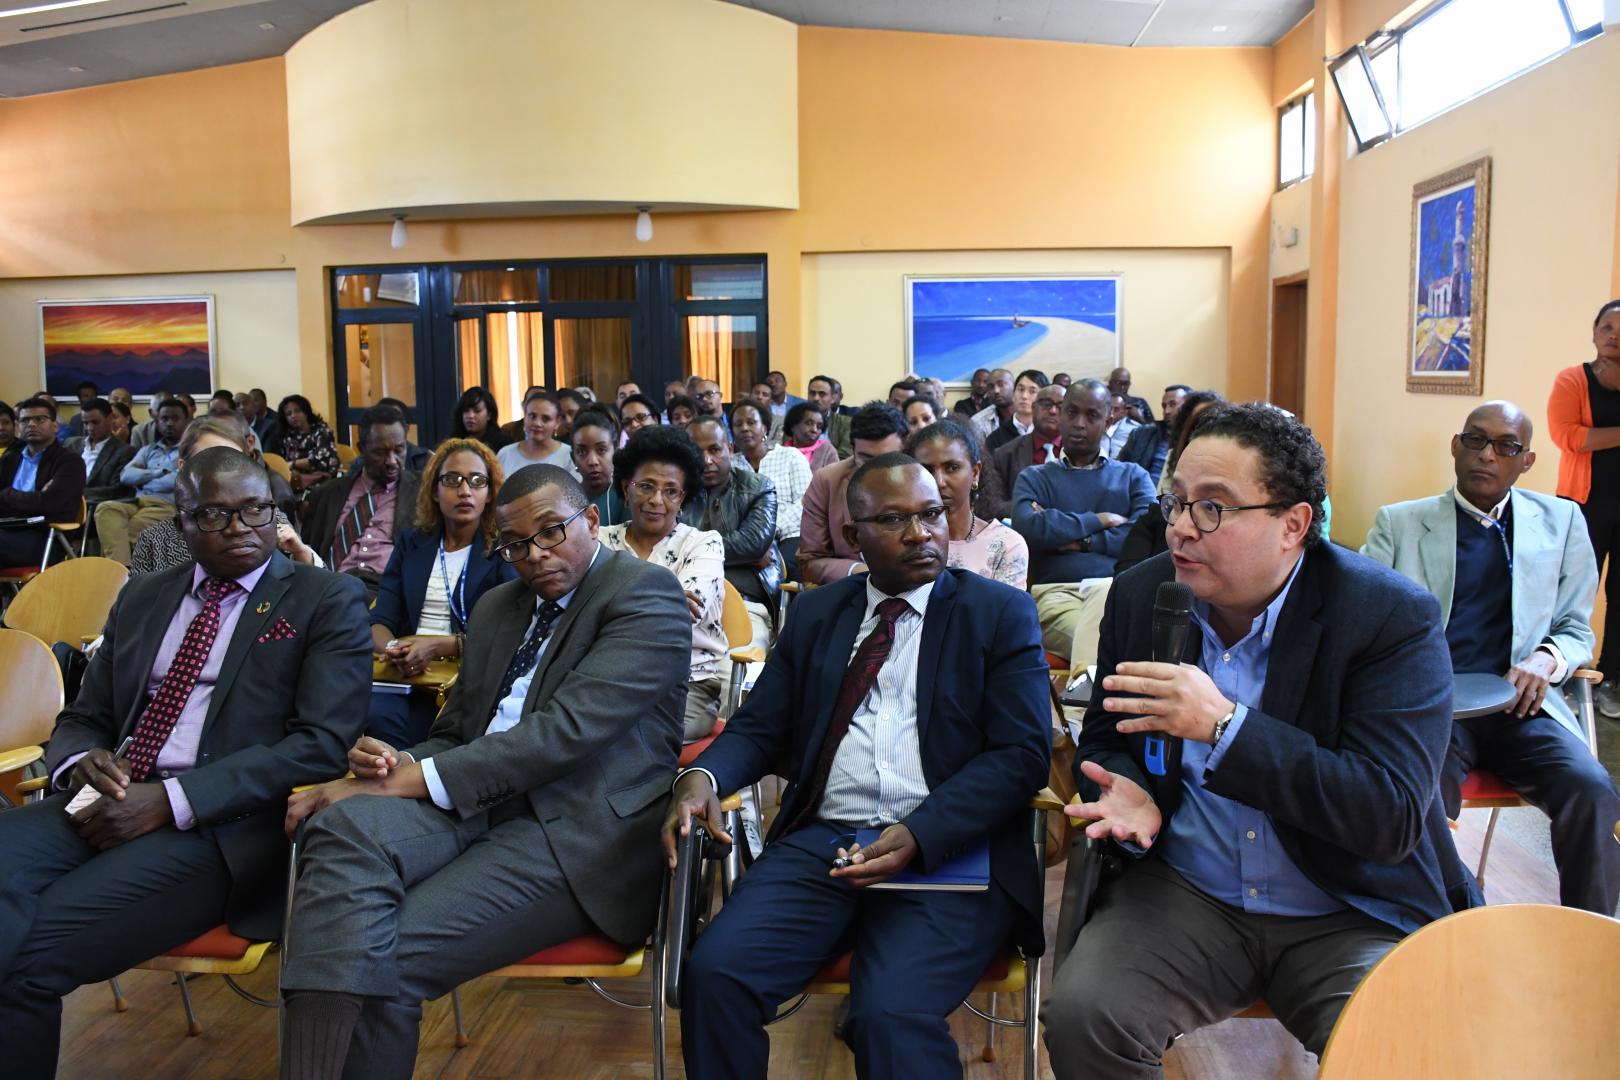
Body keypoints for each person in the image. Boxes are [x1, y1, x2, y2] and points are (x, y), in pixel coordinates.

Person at [1044, 403, 1481, 1077]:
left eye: (1213, 508)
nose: (1182, 527)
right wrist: (1122, 781)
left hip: (1346, 905)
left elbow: (1387, 813)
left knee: (1405, 1048)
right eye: (1177, 501)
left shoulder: (1387, 616)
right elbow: (1109, 730)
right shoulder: (1145, 595)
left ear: (1294, 524)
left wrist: (1224, 728)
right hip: (1189, 892)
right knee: (1085, 1015)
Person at [276, 462, 689, 1078]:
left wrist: (402, 782)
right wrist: (390, 764)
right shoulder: (499, 605)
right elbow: (455, 730)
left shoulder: (644, 595)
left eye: (552, 532)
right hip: (470, 802)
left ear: (594, 521)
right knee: (336, 827)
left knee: (378, 957)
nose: (536, 555)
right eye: (517, 544)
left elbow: (562, 736)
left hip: (572, 829)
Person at [668, 452, 1051, 1079]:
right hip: (828, 841)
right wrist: (700, 779)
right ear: (853, 535)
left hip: (950, 848)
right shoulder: (820, 613)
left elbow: (1022, 755)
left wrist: (920, 834)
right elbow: (759, 727)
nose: (921, 533)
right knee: (716, 974)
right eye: (895, 519)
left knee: (889, 1016)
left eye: (931, 515)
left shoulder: (996, 614)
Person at [0, 447, 371, 1078]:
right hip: (103, 795)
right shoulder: (145, 595)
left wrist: (172, 801)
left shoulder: (324, 599)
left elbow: (321, 744)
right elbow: (84, 717)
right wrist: (79, 763)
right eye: (216, 516)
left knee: (29, 961)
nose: (241, 530)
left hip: (218, 827)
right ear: (181, 524)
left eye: (255, 509)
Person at [1362, 400, 1620, 914]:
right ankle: (1441, 923)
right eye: (1476, 441)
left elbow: (1574, 629)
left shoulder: (1563, 521)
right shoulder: (1401, 524)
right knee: (1416, 791)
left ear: (1526, 461)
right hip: (1436, 711)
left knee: (1593, 792)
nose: (1487, 455)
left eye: (1506, 447)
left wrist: (1546, 659)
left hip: (1524, 708)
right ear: (1456, 447)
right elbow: (1363, 624)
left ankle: (1590, 942)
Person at [369, 438, 517, 747]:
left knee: (424, 731)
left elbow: (510, 630)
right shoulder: (412, 543)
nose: (465, 490)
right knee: (375, 715)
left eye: (477, 481)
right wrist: (395, 648)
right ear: (435, 491)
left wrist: (440, 646)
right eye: (452, 480)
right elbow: (379, 620)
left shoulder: (502, 549)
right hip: (406, 672)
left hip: (465, 674)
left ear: (490, 493)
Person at [1013, 379, 1155, 674]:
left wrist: (1078, 541)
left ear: (1108, 419)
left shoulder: (1133, 476)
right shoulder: (1035, 477)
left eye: (1091, 416)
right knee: (1104, 640)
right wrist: (1099, 520)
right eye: (1072, 412)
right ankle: (1082, 719)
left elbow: (1144, 537)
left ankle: (1084, 716)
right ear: (1061, 414)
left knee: (1122, 630)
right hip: (1056, 594)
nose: (1079, 424)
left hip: (1119, 593)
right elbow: (1029, 528)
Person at [598, 427, 727, 740]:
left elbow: (680, 615)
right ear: (626, 488)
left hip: (686, 684)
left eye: (671, 491)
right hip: (605, 680)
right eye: (646, 486)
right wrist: (663, 598)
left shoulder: (703, 543)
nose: (656, 500)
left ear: (683, 498)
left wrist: (608, 603)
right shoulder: (599, 541)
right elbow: (575, 611)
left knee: (621, 739)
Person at [130, 416, 320, 577]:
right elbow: (139, 610)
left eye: (233, 461)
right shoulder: (155, 540)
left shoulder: (268, 520)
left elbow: (314, 592)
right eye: (210, 460)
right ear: (183, 467)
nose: (225, 474)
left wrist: (303, 556)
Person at [1548, 298, 1620, 717]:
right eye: (1607, 327)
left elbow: (1592, 435)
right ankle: (1564, 675)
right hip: (1583, 503)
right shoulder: (1572, 381)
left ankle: (1611, 679)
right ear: (1594, 333)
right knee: (1574, 591)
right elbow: (1570, 436)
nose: (1614, 335)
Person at [299, 404, 421, 597]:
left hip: (386, 593)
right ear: (361, 449)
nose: (391, 460)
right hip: (328, 590)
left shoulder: (422, 492)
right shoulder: (326, 494)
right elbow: (306, 551)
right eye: (380, 452)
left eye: (399, 450)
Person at [684, 415, 781, 649]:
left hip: (747, 603)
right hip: (689, 606)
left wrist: (689, 551)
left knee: (743, 671)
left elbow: (753, 544)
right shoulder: (677, 491)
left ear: (729, 448)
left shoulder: (758, 486)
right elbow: (663, 548)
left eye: (715, 449)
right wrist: (741, 556)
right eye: (697, 453)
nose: (707, 460)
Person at [907, 418, 1028, 589]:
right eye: (927, 471)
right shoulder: (905, 540)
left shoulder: (1006, 545)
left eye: (952, 468)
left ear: (975, 473)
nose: (939, 481)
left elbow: (1006, 613)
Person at [798, 402, 910, 584]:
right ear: (853, 450)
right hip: (851, 588)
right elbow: (809, 562)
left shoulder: (923, 478)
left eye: (887, 459)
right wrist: (863, 572)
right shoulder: (827, 481)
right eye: (866, 459)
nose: (877, 469)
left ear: (904, 449)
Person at [1115, 390, 1224, 573]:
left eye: (1217, 429)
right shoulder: (1153, 521)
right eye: (1198, 430)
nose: (1183, 529)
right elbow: (1125, 586)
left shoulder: (1239, 522)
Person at [94, 396, 187, 565]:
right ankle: (124, 574)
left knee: (123, 532)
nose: (169, 423)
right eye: (164, 419)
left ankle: (120, 575)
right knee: (105, 509)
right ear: (157, 422)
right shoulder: (148, 450)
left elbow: (176, 481)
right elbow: (125, 476)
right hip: (136, 501)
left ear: (186, 421)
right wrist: (159, 473)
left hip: (166, 505)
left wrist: (142, 478)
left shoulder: (190, 451)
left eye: (175, 418)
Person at [0, 397, 86, 569]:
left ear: (55, 426)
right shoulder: (9, 460)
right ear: (18, 427)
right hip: (7, 530)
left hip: (45, 538)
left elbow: (50, 504)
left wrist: (6, 494)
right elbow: (40, 501)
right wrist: (35, 499)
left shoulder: (70, 462)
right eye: (24, 420)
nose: (31, 424)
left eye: (39, 419)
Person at [731, 401, 812, 552]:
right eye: (738, 424)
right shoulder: (730, 466)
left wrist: (771, 528)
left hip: (790, 534)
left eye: (751, 422)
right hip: (745, 539)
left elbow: (806, 503)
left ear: (764, 429)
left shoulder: (790, 456)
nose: (744, 428)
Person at [983, 384, 1065, 520]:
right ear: (1034, 408)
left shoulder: (1080, 453)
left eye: (1061, 407)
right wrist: (1025, 508)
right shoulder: (1004, 454)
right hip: (1020, 532)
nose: (1053, 411)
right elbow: (992, 505)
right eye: (1046, 404)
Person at [66, 397, 135, 511]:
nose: (90, 428)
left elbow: (117, 490)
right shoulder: (71, 444)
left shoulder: (124, 451)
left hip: (95, 508)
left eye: (95, 422)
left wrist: (76, 492)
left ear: (110, 418)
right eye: (85, 423)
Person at [496, 390, 576, 480]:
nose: (537, 423)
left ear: (557, 422)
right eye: (532, 416)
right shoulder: (505, 454)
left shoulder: (569, 455)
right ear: (525, 417)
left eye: (546, 419)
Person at [1119, 385, 1190, 481]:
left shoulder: (1197, 441)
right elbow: (1119, 469)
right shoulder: (1141, 434)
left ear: (1188, 407)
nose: (1166, 411)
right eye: (1164, 406)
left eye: (1173, 404)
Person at [276, 394, 342, 495]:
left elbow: (322, 460)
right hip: (296, 479)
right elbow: (283, 462)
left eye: (297, 411)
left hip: (325, 479)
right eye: (288, 414)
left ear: (306, 412)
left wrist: (293, 464)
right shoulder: (287, 435)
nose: (293, 416)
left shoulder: (321, 431)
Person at [987, 369, 1048, 453]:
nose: (1024, 396)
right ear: (1013, 392)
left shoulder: (1050, 432)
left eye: (1032, 391)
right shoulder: (995, 438)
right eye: (1020, 389)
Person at [781, 401, 840, 473]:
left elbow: (835, 480)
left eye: (819, 426)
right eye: (809, 424)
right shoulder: (781, 452)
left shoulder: (827, 451)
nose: (814, 430)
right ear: (793, 426)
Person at [807, 374, 855, 457]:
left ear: (832, 399)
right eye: (812, 393)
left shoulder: (846, 423)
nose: (816, 398)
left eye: (822, 394)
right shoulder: (796, 422)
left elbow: (845, 455)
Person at [449, 386, 510, 451]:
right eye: (466, 410)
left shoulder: (503, 445)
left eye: (477, 411)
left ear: (489, 415)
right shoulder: (453, 443)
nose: (470, 416)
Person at [969, 368, 1015, 442]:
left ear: (1015, 386)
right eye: (991, 387)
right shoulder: (978, 421)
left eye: (1001, 385)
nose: (996, 391)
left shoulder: (1029, 415)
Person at [1101, 392, 1142, 458]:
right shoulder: (1096, 424)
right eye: (1109, 408)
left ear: (1124, 411)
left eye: (1116, 409)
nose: (1111, 413)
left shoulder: (1135, 429)